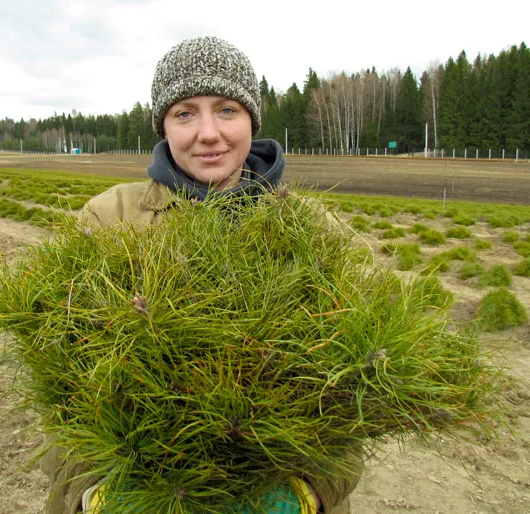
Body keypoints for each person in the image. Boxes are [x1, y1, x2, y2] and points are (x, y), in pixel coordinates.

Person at [41, 36, 362, 514]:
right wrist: (93, 496)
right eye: (185, 113)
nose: (208, 132)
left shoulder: (319, 234)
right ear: (163, 126)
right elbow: (57, 391)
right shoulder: (108, 221)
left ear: (252, 119)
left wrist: (309, 493)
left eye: (227, 109)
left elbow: (361, 399)